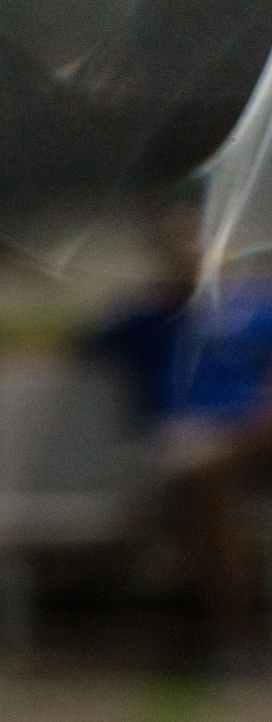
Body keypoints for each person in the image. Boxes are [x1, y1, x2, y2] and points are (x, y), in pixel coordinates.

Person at [88, 186, 272, 667]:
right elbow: (62, 355)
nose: (188, 251)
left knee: (215, 470)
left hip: (254, 439)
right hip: (186, 450)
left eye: (196, 239)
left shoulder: (254, 306)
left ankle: (231, 641)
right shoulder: (138, 319)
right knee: (212, 490)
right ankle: (232, 639)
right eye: (177, 242)